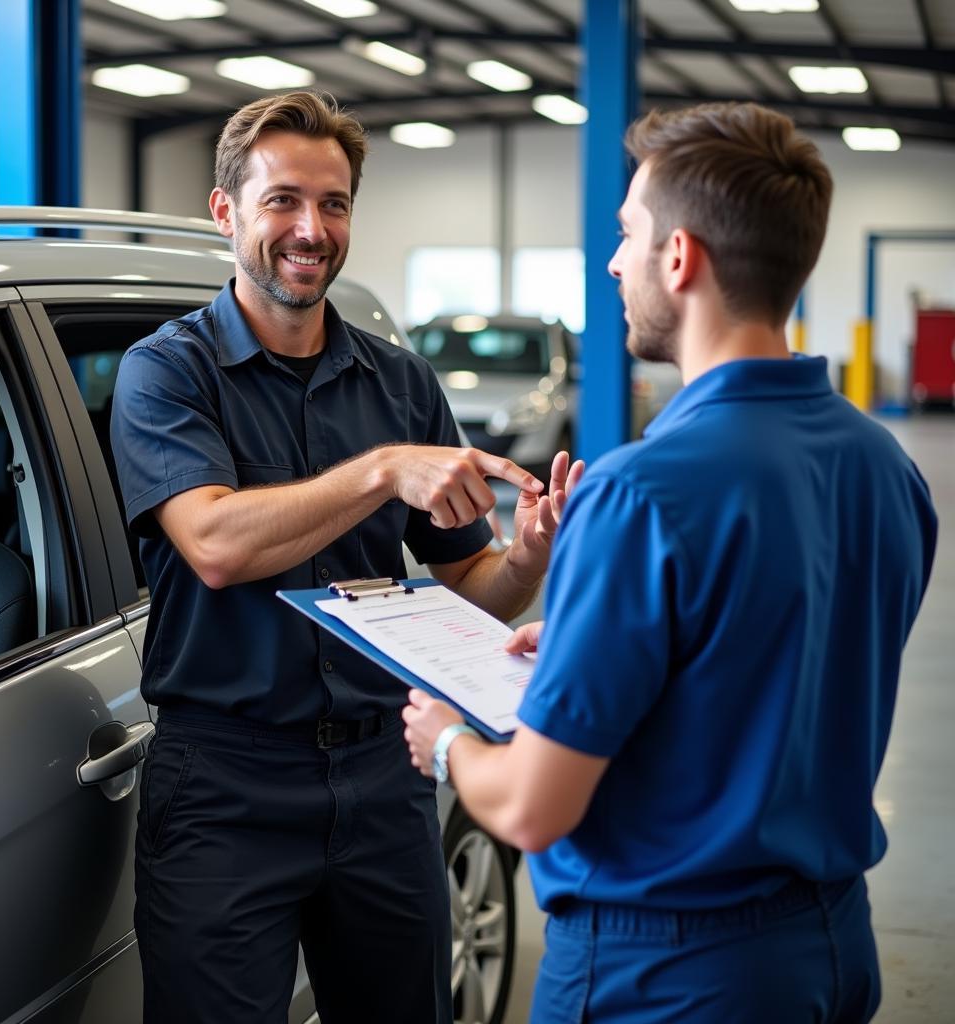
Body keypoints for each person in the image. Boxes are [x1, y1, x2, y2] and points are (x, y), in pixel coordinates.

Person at [403, 101, 938, 1024]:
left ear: (681, 257)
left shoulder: (638, 493)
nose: (613, 263)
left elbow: (533, 809)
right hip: (833, 949)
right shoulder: (885, 464)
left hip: (663, 974)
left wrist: (448, 742)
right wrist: (589, 645)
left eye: (626, 236)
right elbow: (779, 664)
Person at [109, 90, 583, 1024]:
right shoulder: (166, 371)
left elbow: (469, 588)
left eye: (333, 204)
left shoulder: (400, 381)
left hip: (383, 781)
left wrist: (529, 557)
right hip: (225, 788)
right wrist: (382, 473)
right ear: (227, 212)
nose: (310, 229)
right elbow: (209, 544)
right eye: (282, 199)